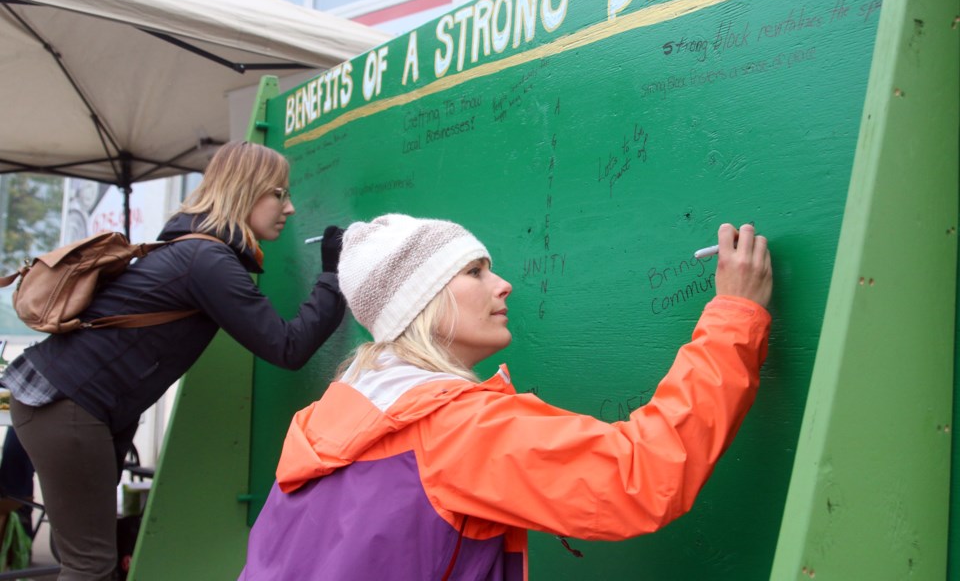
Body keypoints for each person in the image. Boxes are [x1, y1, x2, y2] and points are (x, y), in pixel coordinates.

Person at [240, 214, 773, 581]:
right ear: (420, 302)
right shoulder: (456, 431)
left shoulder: (329, 418)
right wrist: (734, 316)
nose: (504, 285)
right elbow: (643, 475)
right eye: (475, 272)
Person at [1, 141, 346, 581]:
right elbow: (287, 347)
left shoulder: (193, 250)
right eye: (279, 193)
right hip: (67, 405)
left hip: (68, 403)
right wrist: (332, 277)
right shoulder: (207, 259)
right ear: (247, 190)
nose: (290, 207)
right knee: (89, 565)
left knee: (93, 562)